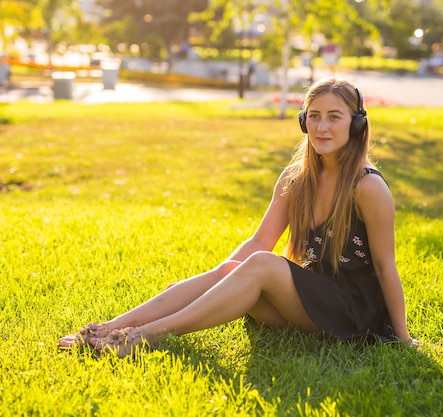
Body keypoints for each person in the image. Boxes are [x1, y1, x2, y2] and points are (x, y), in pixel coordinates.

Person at [58, 77, 419, 357]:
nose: (322, 127)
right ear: (303, 121)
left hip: (354, 310)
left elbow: (386, 267)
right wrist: (209, 280)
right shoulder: (296, 179)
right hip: (312, 297)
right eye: (314, 116)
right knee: (236, 270)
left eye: (334, 117)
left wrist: (402, 337)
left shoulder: (367, 187)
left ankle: (145, 336)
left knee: (263, 265)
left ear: (356, 125)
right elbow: (260, 242)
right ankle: (108, 328)